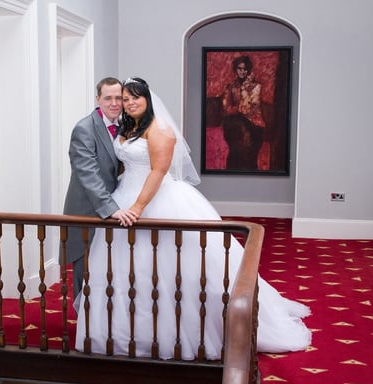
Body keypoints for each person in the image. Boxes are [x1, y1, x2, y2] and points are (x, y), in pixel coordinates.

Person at [75, 77, 311, 359]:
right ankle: (131, 332)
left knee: (179, 269)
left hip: (154, 200)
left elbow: (157, 172)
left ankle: (186, 332)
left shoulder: (160, 129)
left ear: (148, 99)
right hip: (123, 198)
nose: (128, 103)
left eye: (134, 97)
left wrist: (138, 207)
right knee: (131, 270)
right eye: (125, 99)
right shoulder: (129, 127)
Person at [62, 77, 136, 301]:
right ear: (98, 99)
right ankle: (82, 324)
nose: (114, 103)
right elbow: (88, 174)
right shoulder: (84, 129)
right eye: (108, 98)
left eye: (119, 98)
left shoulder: (124, 126)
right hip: (87, 210)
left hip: (113, 207)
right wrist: (111, 208)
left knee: (107, 271)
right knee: (84, 272)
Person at [221, 55, 266, 170]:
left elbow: (250, 108)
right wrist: (239, 108)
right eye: (239, 69)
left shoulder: (256, 86)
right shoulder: (230, 87)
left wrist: (244, 90)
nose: (242, 72)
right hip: (236, 124)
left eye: (245, 69)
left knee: (249, 153)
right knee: (235, 149)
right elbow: (226, 108)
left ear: (249, 70)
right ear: (235, 69)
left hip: (254, 125)